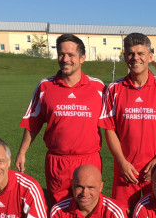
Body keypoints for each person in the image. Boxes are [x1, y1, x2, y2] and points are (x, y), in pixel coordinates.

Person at [17, 34, 106, 207]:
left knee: (88, 207)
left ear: (82, 58)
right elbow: (32, 122)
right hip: (57, 162)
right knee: (59, 209)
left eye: (71, 55)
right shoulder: (45, 86)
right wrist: (22, 152)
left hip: (89, 159)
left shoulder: (98, 88)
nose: (65, 59)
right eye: (61, 54)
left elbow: (112, 125)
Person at [100, 33, 156, 212]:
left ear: (150, 57)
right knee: (123, 214)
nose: (135, 58)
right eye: (130, 54)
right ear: (125, 57)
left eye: (140, 53)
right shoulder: (114, 89)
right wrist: (121, 162)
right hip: (126, 169)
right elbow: (109, 129)